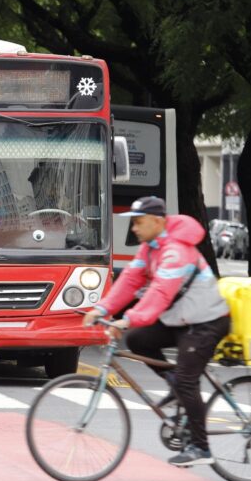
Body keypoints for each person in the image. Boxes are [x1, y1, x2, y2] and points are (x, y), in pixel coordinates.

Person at [84, 196, 230, 467]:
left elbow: (161, 292)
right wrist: (102, 309)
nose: (134, 228)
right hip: (180, 319)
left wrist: (127, 319)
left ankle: (201, 447)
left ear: (158, 221)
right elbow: (128, 281)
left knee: (188, 381)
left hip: (206, 321)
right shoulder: (150, 248)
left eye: (139, 222)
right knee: (139, 340)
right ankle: (175, 383)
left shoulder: (176, 251)